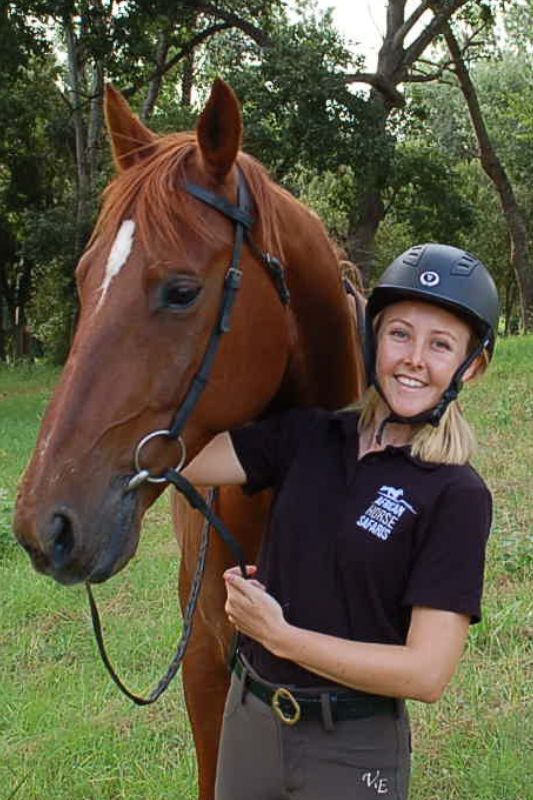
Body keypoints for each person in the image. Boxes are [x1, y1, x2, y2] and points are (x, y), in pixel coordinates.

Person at [183, 243, 499, 800]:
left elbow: (426, 673)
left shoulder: (455, 493)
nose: (414, 359)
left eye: (441, 344)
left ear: (470, 367)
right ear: (374, 338)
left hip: (350, 748)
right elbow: (178, 457)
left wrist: (281, 637)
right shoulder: (307, 436)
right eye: (400, 333)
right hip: (248, 725)